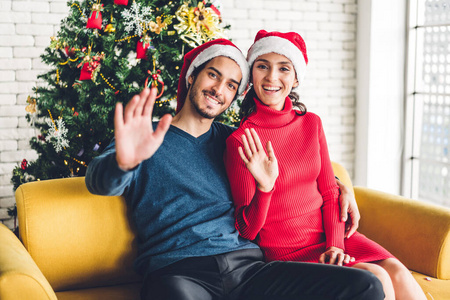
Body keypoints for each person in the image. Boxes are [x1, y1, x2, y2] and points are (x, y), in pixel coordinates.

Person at [85, 38, 385, 300]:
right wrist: (123, 164)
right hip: (178, 272)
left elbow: (296, 163)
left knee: (366, 286)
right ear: (192, 77)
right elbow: (101, 183)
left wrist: (340, 187)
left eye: (231, 85)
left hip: (249, 270)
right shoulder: (145, 138)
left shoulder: (237, 140)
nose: (218, 89)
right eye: (213, 75)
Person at [224, 30, 427, 300]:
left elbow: (330, 192)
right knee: (376, 278)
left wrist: (335, 245)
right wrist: (265, 187)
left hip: (330, 237)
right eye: (263, 66)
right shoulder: (241, 140)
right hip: (288, 249)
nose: (272, 77)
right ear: (252, 75)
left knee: (398, 272)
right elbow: (247, 229)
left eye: (284, 68)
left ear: (295, 78)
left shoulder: (311, 123)